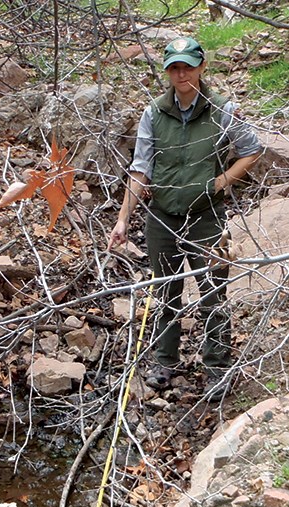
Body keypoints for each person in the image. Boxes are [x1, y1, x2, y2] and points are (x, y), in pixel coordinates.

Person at [108, 36, 262, 400]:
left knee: (213, 293)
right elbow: (141, 168)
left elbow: (252, 151)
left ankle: (216, 369)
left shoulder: (222, 109)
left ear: (202, 67)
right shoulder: (153, 113)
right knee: (165, 289)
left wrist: (219, 183)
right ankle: (164, 361)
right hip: (161, 216)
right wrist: (122, 220)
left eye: (188, 66)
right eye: (175, 68)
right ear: (167, 72)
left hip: (206, 216)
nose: (181, 74)